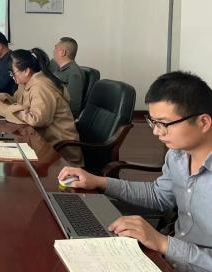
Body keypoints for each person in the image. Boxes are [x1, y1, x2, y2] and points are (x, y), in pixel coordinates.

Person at [58, 71, 212, 271]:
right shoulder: (177, 156)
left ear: (203, 122)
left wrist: (163, 243)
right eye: (153, 122)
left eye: (164, 123)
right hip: (170, 260)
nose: (156, 131)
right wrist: (98, 181)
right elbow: (159, 195)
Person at [0, 48, 82, 165]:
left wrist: (5, 109)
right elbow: (16, 101)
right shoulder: (26, 82)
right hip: (40, 142)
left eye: (13, 73)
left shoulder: (41, 86)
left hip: (60, 152)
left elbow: (36, 120)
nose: (12, 77)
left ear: (26, 71)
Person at [50, 37, 84, 118]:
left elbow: (73, 107)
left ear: (63, 52)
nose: (53, 51)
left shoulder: (74, 74)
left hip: (59, 118)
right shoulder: (58, 69)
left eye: (56, 48)